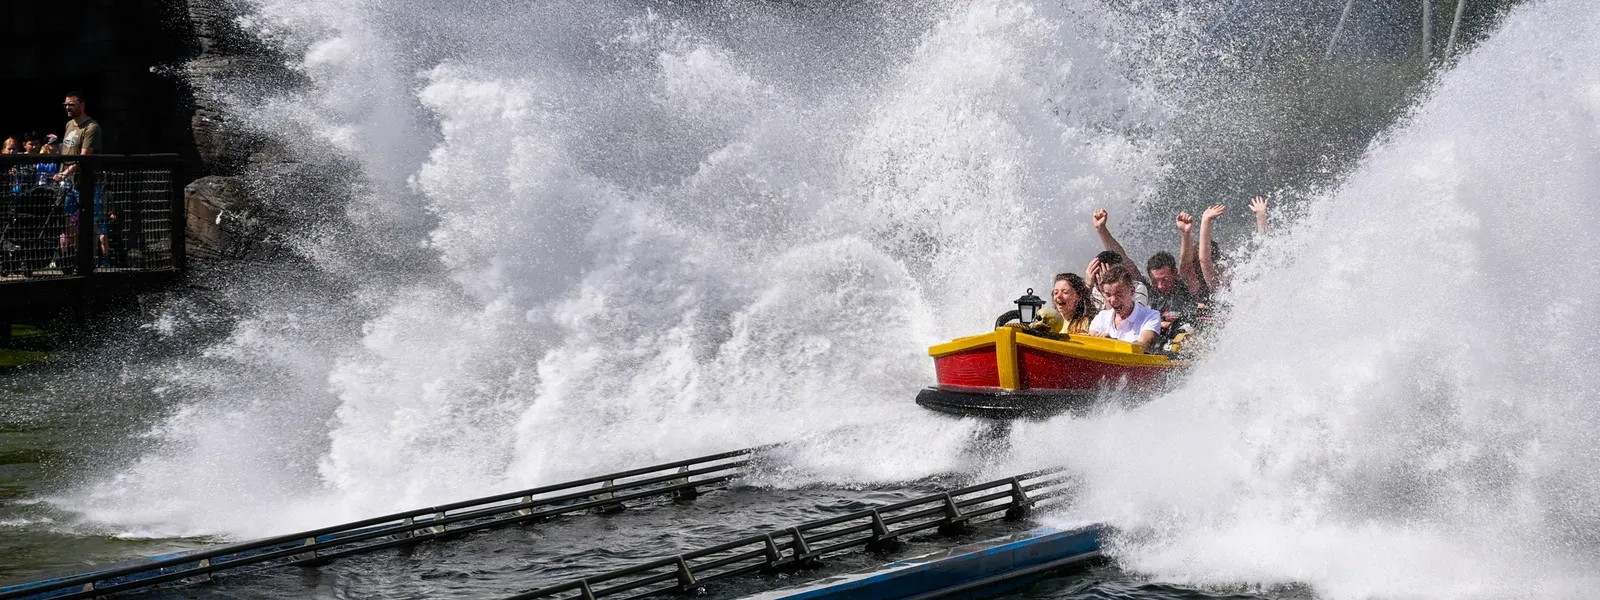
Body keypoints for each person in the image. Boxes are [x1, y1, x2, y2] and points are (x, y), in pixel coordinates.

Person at [1087, 264, 1162, 348]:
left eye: (1118, 294)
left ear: (1132, 291)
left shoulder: (1151, 316)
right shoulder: (1101, 317)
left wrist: (1113, 343)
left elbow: (1142, 346)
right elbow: (1090, 340)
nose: (1113, 300)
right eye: (1108, 295)